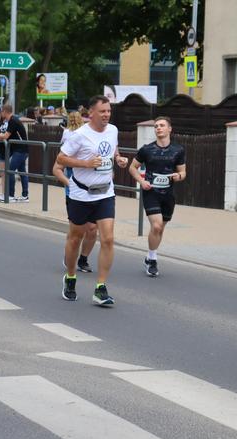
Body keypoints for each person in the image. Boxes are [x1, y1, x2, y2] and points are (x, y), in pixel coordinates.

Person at [56, 95, 129, 305]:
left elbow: (113, 149)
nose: (106, 115)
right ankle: (70, 277)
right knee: (75, 238)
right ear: (91, 113)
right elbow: (60, 159)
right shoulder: (78, 135)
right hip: (81, 193)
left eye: (109, 111)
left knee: (107, 239)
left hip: (105, 192)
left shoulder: (113, 130)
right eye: (102, 111)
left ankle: (100, 287)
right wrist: (85, 163)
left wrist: (119, 159)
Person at [128, 116, 186, 277]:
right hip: (150, 193)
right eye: (156, 126)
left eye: (162, 125)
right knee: (157, 226)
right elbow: (132, 168)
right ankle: (153, 259)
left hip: (168, 195)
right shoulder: (146, 149)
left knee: (160, 229)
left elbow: (183, 172)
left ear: (169, 129)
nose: (158, 128)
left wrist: (178, 177)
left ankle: (149, 255)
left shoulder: (178, 150)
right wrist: (141, 181)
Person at [53, 111, 97, 273]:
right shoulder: (71, 137)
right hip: (74, 190)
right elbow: (57, 167)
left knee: (92, 228)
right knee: (76, 230)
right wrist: (69, 183)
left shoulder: (95, 141)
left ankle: (83, 259)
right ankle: (70, 254)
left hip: (95, 192)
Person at [0, 104, 29, 202]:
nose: (1, 113)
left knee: (9, 170)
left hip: (21, 150)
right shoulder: (11, 120)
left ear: (5, 112)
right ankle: (25, 195)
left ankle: (10, 195)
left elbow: (5, 136)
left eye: (1, 111)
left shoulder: (13, 121)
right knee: (22, 172)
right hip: (19, 149)